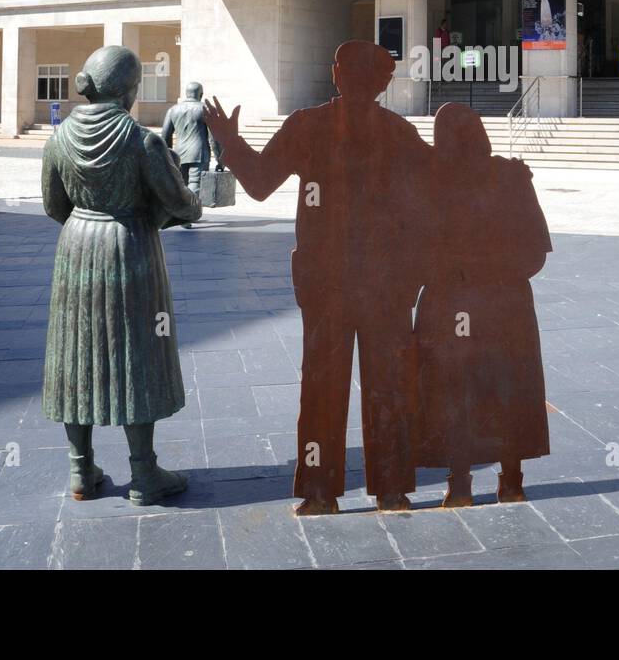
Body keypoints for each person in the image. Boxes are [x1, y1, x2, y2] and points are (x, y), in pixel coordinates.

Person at [204, 40, 430, 515]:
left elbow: (261, 183)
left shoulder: (310, 126)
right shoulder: (398, 132)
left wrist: (230, 141)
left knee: (324, 384)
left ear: (335, 74)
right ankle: (391, 489)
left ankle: (320, 492)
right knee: (387, 385)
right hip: (377, 285)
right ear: (384, 83)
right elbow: (432, 205)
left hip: (335, 284)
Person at [40, 45, 201, 505]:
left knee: (74, 356)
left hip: (76, 248)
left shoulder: (59, 138)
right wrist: (195, 202)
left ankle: (79, 470)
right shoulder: (142, 140)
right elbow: (176, 202)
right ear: (130, 91)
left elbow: (54, 206)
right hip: (130, 247)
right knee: (137, 354)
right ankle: (144, 473)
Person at [414, 103, 552, 506]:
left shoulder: (435, 180)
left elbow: (416, 249)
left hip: (455, 301)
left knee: (455, 389)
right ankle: (510, 479)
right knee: (503, 386)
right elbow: (536, 250)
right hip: (504, 303)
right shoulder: (509, 175)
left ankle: (461, 483)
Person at [161, 81, 222, 226]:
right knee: (195, 184)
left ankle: (178, 214)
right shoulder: (205, 109)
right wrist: (220, 159)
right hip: (199, 153)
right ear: (200, 94)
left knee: (180, 185)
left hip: (178, 153)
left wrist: (167, 155)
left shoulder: (173, 110)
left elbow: (165, 135)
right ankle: (186, 216)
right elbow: (214, 138)